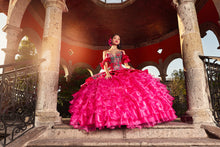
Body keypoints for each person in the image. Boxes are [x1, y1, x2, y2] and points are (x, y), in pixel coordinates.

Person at [69, 34, 177, 132]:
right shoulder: (105, 52)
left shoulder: (122, 52)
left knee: (129, 95)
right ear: (111, 40)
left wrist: (134, 69)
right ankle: (112, 120)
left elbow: (126, 64)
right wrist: (107, 73)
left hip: (122, 71)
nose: (117, 40)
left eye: (119, 39)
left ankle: (127, 119)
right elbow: (105, 64)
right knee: (108, 96)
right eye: (115, 38)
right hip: (111, 73)